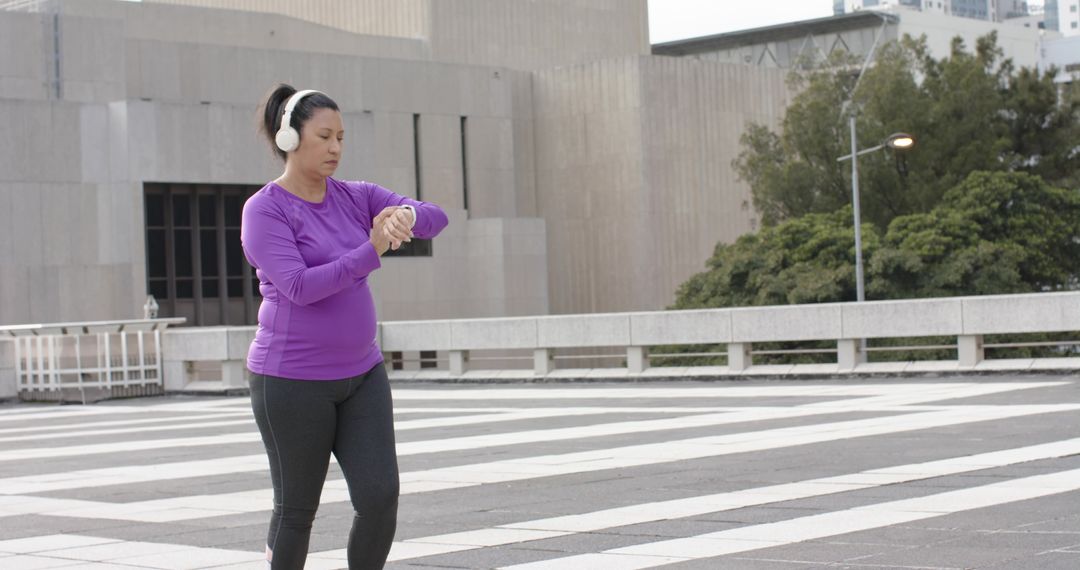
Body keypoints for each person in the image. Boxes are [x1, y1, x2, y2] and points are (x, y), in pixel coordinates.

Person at [241, 84, 449, 569]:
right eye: (324, 136)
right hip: (290, 381)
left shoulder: (357, 197)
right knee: (296, 512)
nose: (336, 147)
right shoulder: (264, 209)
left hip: (362, 375)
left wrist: (406, 214)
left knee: (380, 498)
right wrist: (370, 250)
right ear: (291, 139)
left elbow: (435, 219)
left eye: (341, 137)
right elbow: (298, 286)